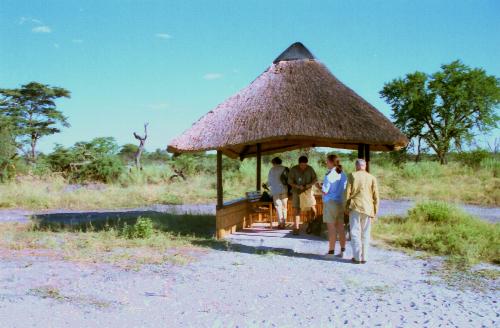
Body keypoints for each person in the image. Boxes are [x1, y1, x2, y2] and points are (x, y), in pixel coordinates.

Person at [345, 159, 379, 264]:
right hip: (368, 208)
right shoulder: (372, 177)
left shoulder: (352, 175)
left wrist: (345, 207)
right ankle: (364, 257)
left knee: (355, 232)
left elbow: (347, 192)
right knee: (366, 233)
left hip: (355, 206)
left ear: (356, 166)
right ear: (365, 166)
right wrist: (375, 211)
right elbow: (376, 196)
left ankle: (357, 257)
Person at [322, 154, 347, 258]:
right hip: (341, 202)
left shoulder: (329, 175)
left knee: (331, 228)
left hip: (330, 203)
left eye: (327, 161)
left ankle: (331, 252)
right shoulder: (343, 174)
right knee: (341, 228)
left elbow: (325, 191)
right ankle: (343, 251)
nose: (326, 163)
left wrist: (319, 187)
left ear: (331, 162)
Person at [288, 156, 317, 235]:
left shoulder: (310, 168)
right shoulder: (293, 169)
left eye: (305, 165)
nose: (303, 166)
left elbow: (315, 179)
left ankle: (311, 225)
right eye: (302, 165)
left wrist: (309, 184)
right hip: (296, 192)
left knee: (313, 209)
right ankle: (296, 227)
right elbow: (290, 182)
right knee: (296, 210)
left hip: (308, 192)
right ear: (299, 163)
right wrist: (297, 186)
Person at [267, 157, 289, 229]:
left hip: (275, 191)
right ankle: (284, 222)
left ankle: (280, 223)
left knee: (278, 207)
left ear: (273, 162)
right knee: (284, 207)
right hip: (284, 190)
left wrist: (265, 185)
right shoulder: (285, 168)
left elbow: (269, 183)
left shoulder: (272, 170)